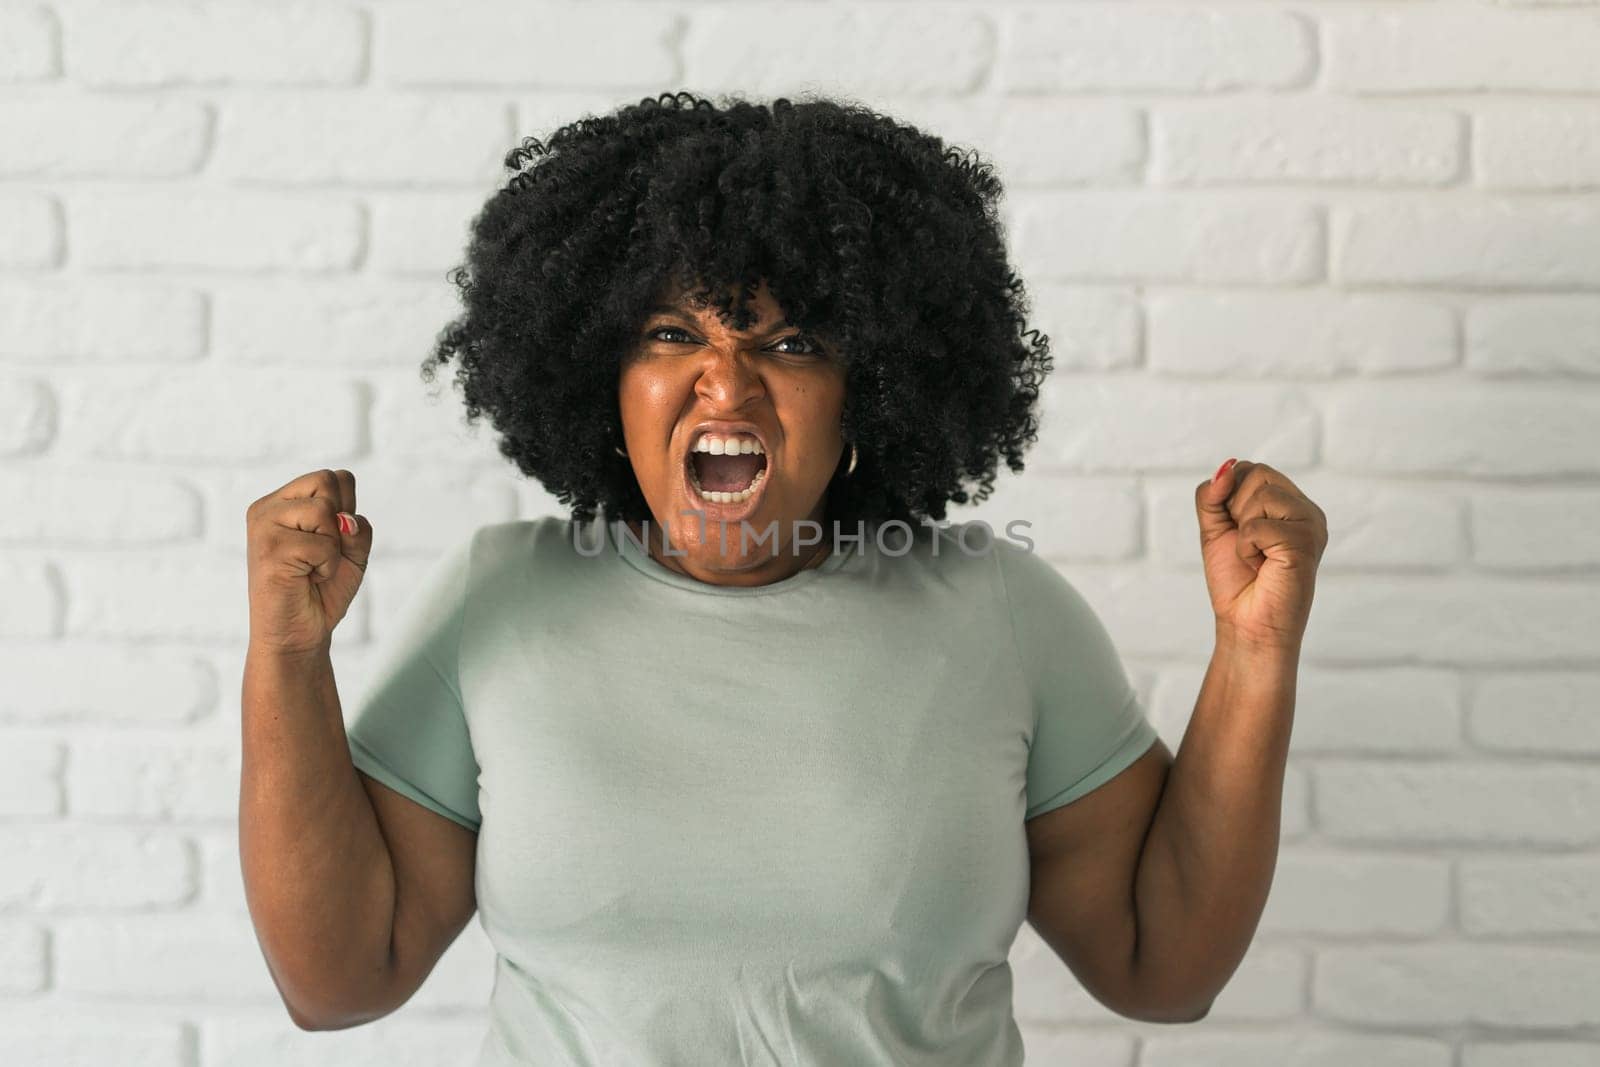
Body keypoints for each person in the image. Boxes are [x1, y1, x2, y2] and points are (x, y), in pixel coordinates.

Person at [240, 90, 1328, 1066]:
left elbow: (1164, 967)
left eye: (794, 340)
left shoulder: (1001, 613)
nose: (727, 382)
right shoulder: (501, 601)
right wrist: (288, 656)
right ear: (600, 380)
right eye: (671, 332)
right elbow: (336, 982)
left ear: (873, 388)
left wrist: (1255, 648)